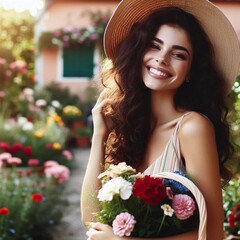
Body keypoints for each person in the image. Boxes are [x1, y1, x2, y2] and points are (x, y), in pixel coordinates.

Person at [81, 0, 240, 239]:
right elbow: (91, 219)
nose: (162, 59)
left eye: (178, 54)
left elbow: (213, 234)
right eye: (154, 46)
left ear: (190, 72)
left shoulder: (192, 128)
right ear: (138, 52)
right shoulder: (130, 129)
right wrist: (99, 136)